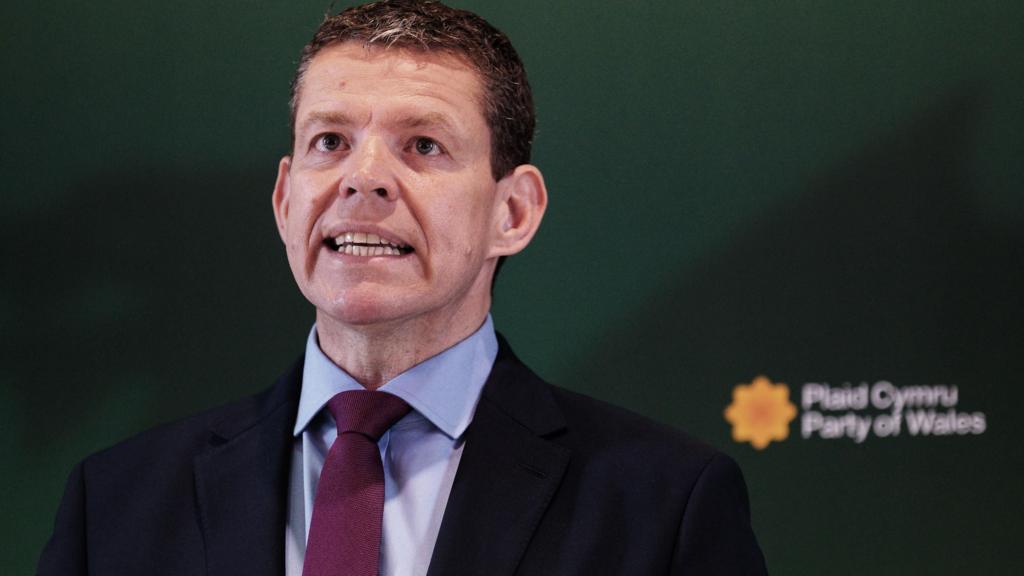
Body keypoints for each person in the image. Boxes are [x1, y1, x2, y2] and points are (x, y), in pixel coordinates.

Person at [38, 1, 768, 574]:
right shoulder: (114, 505)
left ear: (512, 213)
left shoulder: (663, 506)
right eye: (331, 141)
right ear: (285, 199)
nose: (365, 176)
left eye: (424, 144)